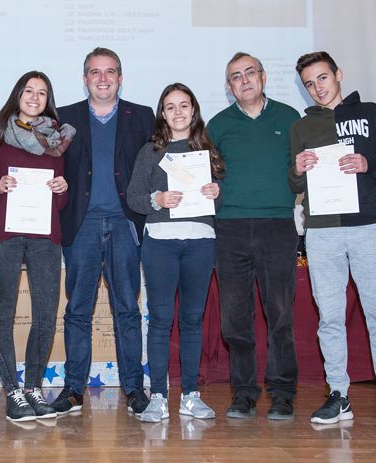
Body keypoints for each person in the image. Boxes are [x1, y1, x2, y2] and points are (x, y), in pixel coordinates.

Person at [289, 51, 376, 428]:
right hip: (321, 231)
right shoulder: (301, 128)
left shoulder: (371, 113)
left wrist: (369, 164)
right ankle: (338, 394)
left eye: (322, 78)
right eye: (309, 83)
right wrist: (297, 171)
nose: (317, 88)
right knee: (330, 316)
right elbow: (295, 185)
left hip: (367, 227)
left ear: (338, 74)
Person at [50, 47, 155, 415]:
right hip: (82, 225)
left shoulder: (142, 116)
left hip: (125, 224)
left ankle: (134, 389)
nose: (103, 78)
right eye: (95, 72)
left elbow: (156, 166)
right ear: (85, 79)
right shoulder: (64, 117)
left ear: (120, 78)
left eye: (110, 71)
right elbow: (49, 164)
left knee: (127, 309)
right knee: (78, 310)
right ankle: (73, 390)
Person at [0, 71, 75, 422]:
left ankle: (33, 388)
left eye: (42, 93)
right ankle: (13, 391)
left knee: (46, 313)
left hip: (45, 237)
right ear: (18, 95)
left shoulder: (56, 140)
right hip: (4, 236)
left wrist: (62, 189)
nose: (34, 97)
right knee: (3, 312)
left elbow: (60, 202)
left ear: (48, 100)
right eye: (29, 90)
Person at [206, 52, 300, 420]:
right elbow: (205, 177)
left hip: (278, 226)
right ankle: (244, 393)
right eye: (235, 76)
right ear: (229, 87)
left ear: (263, 77)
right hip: (230, 230)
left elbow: (301, 174)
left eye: (249, 73)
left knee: (281, 315)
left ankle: (282, 393)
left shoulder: (289, 118)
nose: (244, 80)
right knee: (235, 320)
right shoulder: (217, 125)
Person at [127, 83, 224, 422]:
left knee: (193, 320)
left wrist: (217, 192)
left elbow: (221, 199)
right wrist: (157, 199)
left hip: (200, 241)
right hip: (161, 242)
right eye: (170, 107)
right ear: (163, 114)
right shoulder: (150, 151)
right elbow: (134, 198)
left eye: (184, 105)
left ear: (193, 110)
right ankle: (157, 396)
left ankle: (191, 396)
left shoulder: (208, 150)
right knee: (160, 319)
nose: (178, 112)